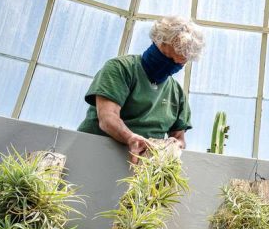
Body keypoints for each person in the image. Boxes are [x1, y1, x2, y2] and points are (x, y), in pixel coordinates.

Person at [77, 16, 204, 162]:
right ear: (157, 41)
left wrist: (175, 145)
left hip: (141, 167)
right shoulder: (121, 68)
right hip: (94, 153)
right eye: (167, 57)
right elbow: (107, 118)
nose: (170, 66)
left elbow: (179, 138)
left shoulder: (177, 94)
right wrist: (130, 138)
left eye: (178, 64)